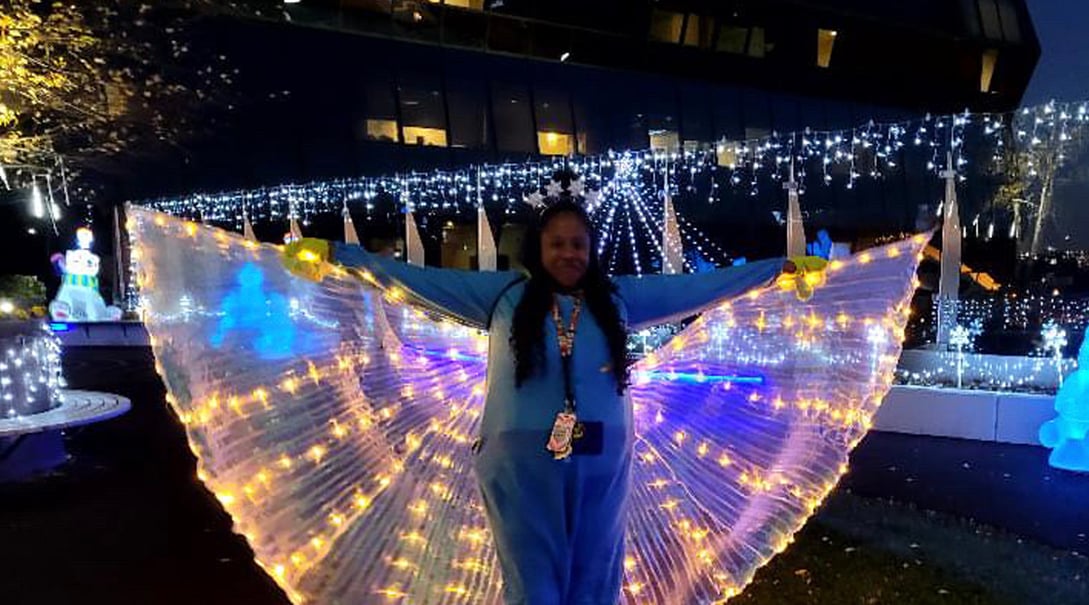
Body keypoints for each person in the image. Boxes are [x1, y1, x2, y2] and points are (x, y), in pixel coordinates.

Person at [283, 181, 825, 605]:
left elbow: (699, 287)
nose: (569, 254)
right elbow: (412, 279)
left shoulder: (617, 299)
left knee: (596, 575)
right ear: (538, 247)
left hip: (602, 453)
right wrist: (338, 255)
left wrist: (777, 271)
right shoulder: (503, 295)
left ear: (591, 250)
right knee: (534, 581)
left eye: (578, 244)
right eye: (557, 244)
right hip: (521, 459)